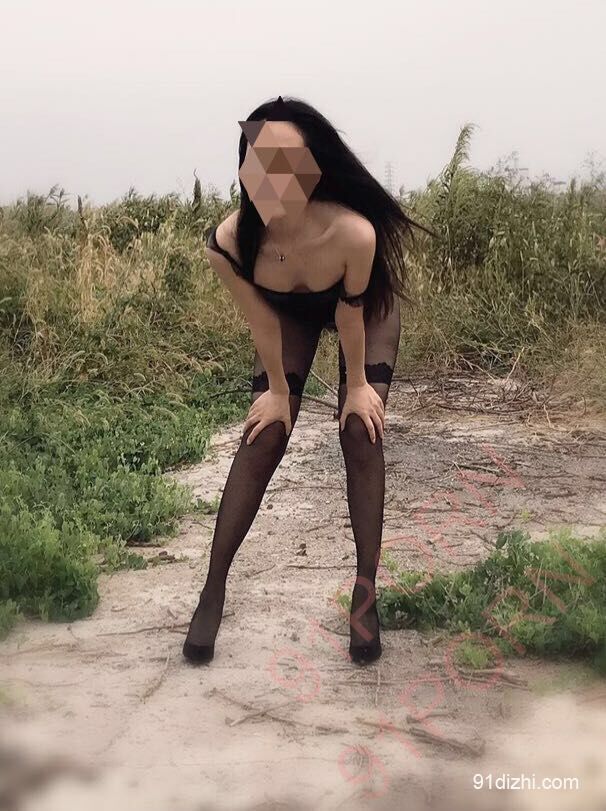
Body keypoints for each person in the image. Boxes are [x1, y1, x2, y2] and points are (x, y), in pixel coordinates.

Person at [183, 95, 424, 666]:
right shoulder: (229, 243)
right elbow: (263, 320)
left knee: (360, 430)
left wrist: (357, 387)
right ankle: (212, 591)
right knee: (264, 433)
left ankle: (365, 597)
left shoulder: (353, 232)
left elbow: (350, 317)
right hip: (286, 314)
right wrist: (278, 392)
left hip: (363, 310)